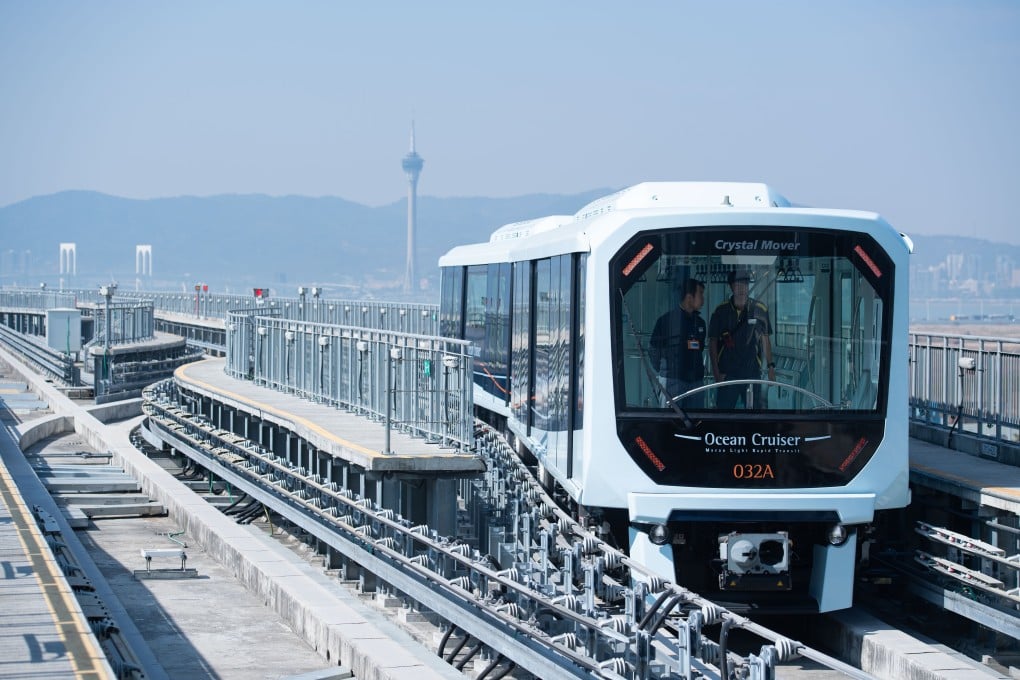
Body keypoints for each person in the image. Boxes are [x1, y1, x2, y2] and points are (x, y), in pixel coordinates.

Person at [708, 268, 775, 409]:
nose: (741, 289)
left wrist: (770, 367)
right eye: (737, 285)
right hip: (727, 373)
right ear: (731, 287)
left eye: (744, 284)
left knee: (756, 414)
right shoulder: (720, 311)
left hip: (751, 372)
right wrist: (716, 373)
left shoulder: (760, 309)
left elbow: (765, 339)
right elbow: (712, 343)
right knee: (723, 414)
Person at [649, 278, 706, 407]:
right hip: (672, 381)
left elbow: (700, 348)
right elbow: (653, 350)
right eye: (700, 294)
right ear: (689, 297)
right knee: (670, 422)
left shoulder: (700, 323)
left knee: (697, 422)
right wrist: (666, 370)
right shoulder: (666, 321)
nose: (703, 299)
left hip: (695, 382)